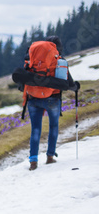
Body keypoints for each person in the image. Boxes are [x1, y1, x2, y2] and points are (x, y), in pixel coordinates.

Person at [25, 36, 76, 171]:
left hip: (33, 98)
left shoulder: (33, 59)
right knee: (53, 126)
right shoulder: (59, 61)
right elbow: (69, 84)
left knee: (35, 129)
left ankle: (33, 161)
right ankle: (50, 156)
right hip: (52, 99)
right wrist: (76, 86)